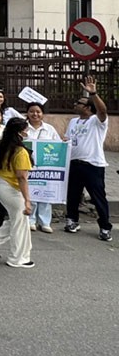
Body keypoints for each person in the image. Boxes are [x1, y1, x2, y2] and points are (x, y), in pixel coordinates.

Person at [63, 75, 111, 240]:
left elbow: (103, 111)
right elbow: (69, 139)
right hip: (74, 164)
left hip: (93, 164)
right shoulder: (73, 122)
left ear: (88, 107)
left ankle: (105, 227)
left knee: (98, 197)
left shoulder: (96, 121)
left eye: (79, 103)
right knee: (73, 195)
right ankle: (72, 220)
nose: (76, 105)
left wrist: (93, 94)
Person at [0, 117, 35, 268]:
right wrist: (27, 200)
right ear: (19, 132)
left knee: (18, 220)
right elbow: (22, 178)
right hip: (12, 188)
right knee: (19, 223)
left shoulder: (1, 145)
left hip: (0, 185)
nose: (27, 132)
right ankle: (17, 258)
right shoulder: (20, 152)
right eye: (25, 129)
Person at [24, 102, 60, 234]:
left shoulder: (49, 129)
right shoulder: (23, 128)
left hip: (46, 166)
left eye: (38, 112)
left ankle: (45, 222)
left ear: (42, 114)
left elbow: (58, 145)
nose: (35, 114)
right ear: (27, 113)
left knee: (46, 193)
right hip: (27, 165)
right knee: (30, 192)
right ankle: (30, 220)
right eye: (32, 111)